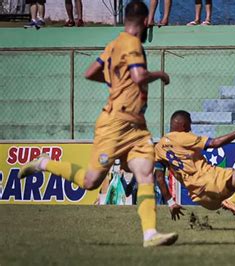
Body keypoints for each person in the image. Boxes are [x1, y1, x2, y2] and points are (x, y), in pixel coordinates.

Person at [18, 0, 178, 248]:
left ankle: (150, 234)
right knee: (91, 181)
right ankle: (43, 162)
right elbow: (138, 76)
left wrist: (115, 83)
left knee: (145, 174)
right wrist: (160, 74)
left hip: (136, 126)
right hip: (115, 124)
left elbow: (91, 72)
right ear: (145, 22)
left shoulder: (113, 45)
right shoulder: (132, 42)